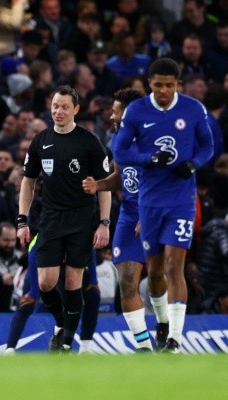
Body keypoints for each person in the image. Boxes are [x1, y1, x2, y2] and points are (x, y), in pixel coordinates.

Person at [112, 57, 214, 353]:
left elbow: (207, 146)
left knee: (173, 266)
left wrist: (193, 164)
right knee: (155, 272)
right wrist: (147, 159)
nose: (164, 91)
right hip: (150, 201)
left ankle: (175, 340)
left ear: (177, 84)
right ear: (149, 84)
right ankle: (161, 321)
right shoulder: (137, 111)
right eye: (158, 85)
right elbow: (120, 150)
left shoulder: (193, 109)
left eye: (169, 85)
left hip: (181, 200)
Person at [17, 85, 111, 352]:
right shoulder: (40, 141)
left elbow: (103, 187)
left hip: (82, 219)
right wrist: (22, 220)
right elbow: (28, 182)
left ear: (76, 110)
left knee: (73, 282)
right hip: (50, 219)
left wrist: (104, 223)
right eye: (55, 106)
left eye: (64, 107)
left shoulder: (90, 141)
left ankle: (66, 343)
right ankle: (62, 324)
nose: (58, 111)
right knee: (46, 282)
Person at [82, 87, 165, 351]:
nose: (112, 116)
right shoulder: (119, 139)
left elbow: (167, 180)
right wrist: (99, 185)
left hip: (155, 213)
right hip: (129, 217)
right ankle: (143, 346)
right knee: (127, 281)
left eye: (116, 111)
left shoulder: (155, 138)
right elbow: (120, 176)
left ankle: (165, 326)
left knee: (155, 280)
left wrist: (150, 213)